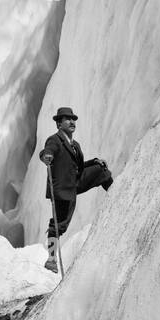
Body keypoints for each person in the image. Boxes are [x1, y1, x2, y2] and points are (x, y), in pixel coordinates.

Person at [39, 106, 112, 273]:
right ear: (59, 124)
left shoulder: (75, 145)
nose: (72, 122)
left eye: (73, 119)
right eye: (67, 119)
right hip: (62, 189)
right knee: (59, 225)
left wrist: (94, 162)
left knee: (101, 171)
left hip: (75, 182)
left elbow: (78, 168)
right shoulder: (55, 140)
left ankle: (118, 193)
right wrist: (46, 157)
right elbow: (47, 151)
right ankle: (51, 259)